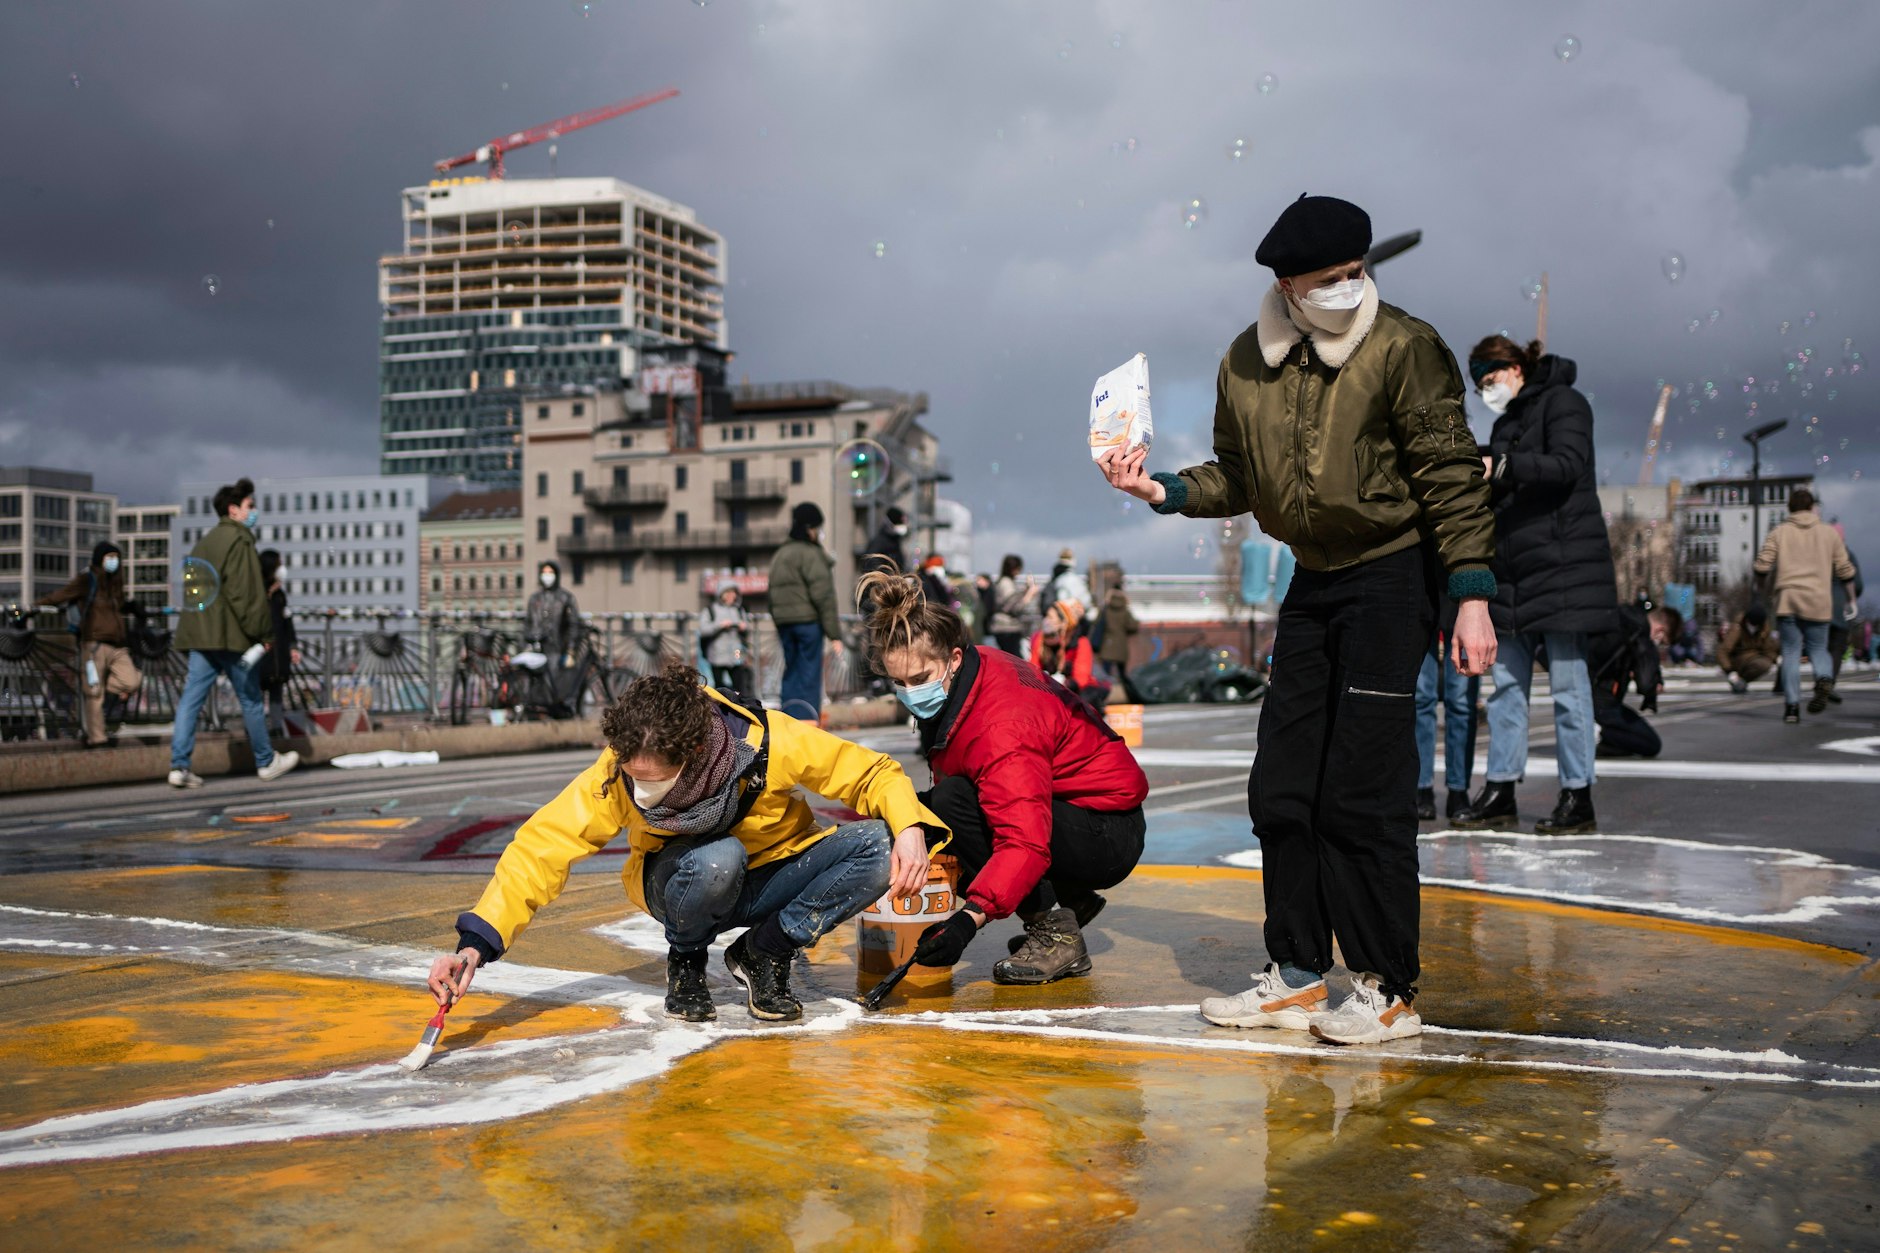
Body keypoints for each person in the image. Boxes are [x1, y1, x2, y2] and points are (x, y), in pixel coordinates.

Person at [1098, 193, 1498, 1044]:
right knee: (1282, 782)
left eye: (1357, 271)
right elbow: (1238, 477)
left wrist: (1470, 592)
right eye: (1330, 278)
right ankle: (1298, 973)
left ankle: (1387, 988)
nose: (1350, 286)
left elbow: (1451, 473)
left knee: (1364, 787)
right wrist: (1160, 488)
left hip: (1393, 573)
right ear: (1288, 286)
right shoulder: (1245, 361)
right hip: (1312, 580)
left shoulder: (1405, 346)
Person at [428, 664, 943, 1023]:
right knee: (719, 858)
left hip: (771, 877)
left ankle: (764, 951)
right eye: (631, 776)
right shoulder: (618, 772)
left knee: (881, 844)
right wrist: (477, 943)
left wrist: (909, 830)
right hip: (680, 882)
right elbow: (544, 845)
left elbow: (873, 772)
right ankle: (687, 960)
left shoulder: (769, 743)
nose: (639, 791)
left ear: (694, 752)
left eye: (653, 780)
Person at [856, 570, 1148, 985]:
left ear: (954, 659)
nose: (910, 693)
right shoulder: (970, 675)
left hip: (1107, 830)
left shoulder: (1002, 727)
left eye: (919, 680)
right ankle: (1070, 901)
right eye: (898, 683)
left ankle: (1056, 934)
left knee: (950, 807)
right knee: (927, 813)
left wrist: (966, 921)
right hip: (1066, 811)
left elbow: (1024, 841)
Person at [1451, 334, 1616, 837]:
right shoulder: (1506, 423)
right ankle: (1500, 788)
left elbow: (1567, 464)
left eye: (1492, 378)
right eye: (1480, 384)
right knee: (1505, 689)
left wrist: (1501, 465)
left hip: (1562, 566)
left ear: (1517, 368)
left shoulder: (1565, 402)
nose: (1488, 390)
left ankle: (1578, 794)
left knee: (1568, 687)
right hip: (1512, 570)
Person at [169, 478, 299, 788]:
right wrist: (264, 634)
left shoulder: (204, 543)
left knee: (191, 699)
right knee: (250, 698)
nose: (254, 511)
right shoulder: (240, 541)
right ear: (233, 510)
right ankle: (265, 761)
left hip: (201, 634)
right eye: (249, 506)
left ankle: (179, 766)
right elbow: (246, 595)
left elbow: (193, 590)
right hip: (230, 636)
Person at [1753, 487, 1857, 721]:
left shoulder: (1779, 532)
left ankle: (1792, 708)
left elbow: (1761, 566)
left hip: (1788, 599)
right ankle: (1824, 678)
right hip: (1818, 600)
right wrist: (1851, 599)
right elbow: (1845, 570)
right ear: (1812, 507)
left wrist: (1763, 590)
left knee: (1790, 653)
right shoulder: (1829, 533)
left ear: (1789, 508)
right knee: (1819, 649)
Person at [39, 539, 144, 748]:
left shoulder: (115, 583)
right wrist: (33, 607)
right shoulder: (87, 580)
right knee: (94, 694)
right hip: (93, 645)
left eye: (116, 557)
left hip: (117, 645)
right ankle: (97, 739)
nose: (114, 561)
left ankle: (102, 687)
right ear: (100, 559)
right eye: (110, 557)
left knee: (132, 681)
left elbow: (118, 607)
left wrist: (132, 606)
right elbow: (60, 595)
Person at [769, 502, 843, 722]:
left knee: (791, 671)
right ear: (810, 528)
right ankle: (807, 720)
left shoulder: (781, 553)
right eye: (818, 528)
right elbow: (824, 596)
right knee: (809, 673)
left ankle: (789, 719)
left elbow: (771, 592)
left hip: (784, 622)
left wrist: (779, 618)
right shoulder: (811, 554)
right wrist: (834, 634)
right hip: (808, 622)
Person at [1413, 592, 1480, 822]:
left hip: (1462, 597)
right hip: (1423, 597)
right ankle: (1421, 787)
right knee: (1421, 699)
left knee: (1461, 702)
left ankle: (1458, 789)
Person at [1588, 603, 1664, 759]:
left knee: (1638, 737)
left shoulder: (1621, 622)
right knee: (1651, 744)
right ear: (1659, 630)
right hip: (1603, 699)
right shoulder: (1640, 635)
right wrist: (1652, 693)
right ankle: (1599, 734)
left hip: (1596, 692)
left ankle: (1605, 740)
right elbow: (1646, 682)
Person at [1029, 599, 1108, 707]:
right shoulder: (1040, 639)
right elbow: (1033, 668)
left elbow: (1081, 678)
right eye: (1047, 616)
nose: (1047, 621)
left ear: (1063, 622)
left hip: (1075, 691)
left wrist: (1063, 683)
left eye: (1051, 617)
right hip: (1049, 687)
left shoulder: (1080, 643)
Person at [257, 549, 301, 735]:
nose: (282, 569)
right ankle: (256, 732)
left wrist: (292, 647)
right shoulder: (256, 592)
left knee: (277, 693)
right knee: (256, 694)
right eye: (279, 564)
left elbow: (287, 622)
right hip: (261, 653)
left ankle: (277, 729)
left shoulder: (279, 594)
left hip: (279, 653)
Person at [1825, 548, 1863, 702]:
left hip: (1817, 603)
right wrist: (1852, 599)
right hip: (1840, 606)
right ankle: (1828, 683)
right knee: (1837, 647)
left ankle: (1821, 680)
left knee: (1819, 646)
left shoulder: (1817, 548)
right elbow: (1856, 582)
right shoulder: (1845, 552)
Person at [701, 585, 752, 695]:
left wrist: (744, 627)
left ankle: (739, 703)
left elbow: (748, 628)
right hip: (717, 653)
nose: (731, 596)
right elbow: (703, 630)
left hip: (736, 653)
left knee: (740, 685)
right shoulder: (711, 610)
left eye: (733, 593)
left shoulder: (739, 610)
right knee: (719, 686)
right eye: (728, 593)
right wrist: (720, 625)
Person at [1717, 605, 1779, 694]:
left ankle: (1740, 682)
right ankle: (1739, 682)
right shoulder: (1737, 628)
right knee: (1763, 664)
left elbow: (1767, 648)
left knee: (1765, 664)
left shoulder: (1764, 628)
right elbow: (1723, 651)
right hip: (1738, 659)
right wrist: (1729, 670)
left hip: (1755, 658)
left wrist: (1776, 659)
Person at [988, 554, 1037, 656]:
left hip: (1001, 626)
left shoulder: (1003, 582)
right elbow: (1015, 608)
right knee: (1013, 659)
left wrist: (1025, 591)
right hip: (1008, 627)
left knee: (1007, 657)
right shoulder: (1006, 584)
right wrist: (1029, 594)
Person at [1095, 587, 1139, 689]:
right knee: (1122, 673)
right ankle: (1126, 692)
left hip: (1107, 645)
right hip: (1121, 645)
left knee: (1105, 673)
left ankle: (1104, 692)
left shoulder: (1105, 610)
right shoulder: (1125, 611)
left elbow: (1097, 624)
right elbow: (1132, 626)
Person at [858, 507, 911, 588]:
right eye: (899, 524)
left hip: (892, 586)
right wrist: (889, 579)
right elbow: (871, 566)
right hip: (881, 589)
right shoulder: (879, 542)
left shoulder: (895, 542)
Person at [1042, 548, 1093, 622]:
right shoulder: (1075, 580)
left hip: (1063, 618)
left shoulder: (1055, 580)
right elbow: (1086, 602)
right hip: (1072, 618)